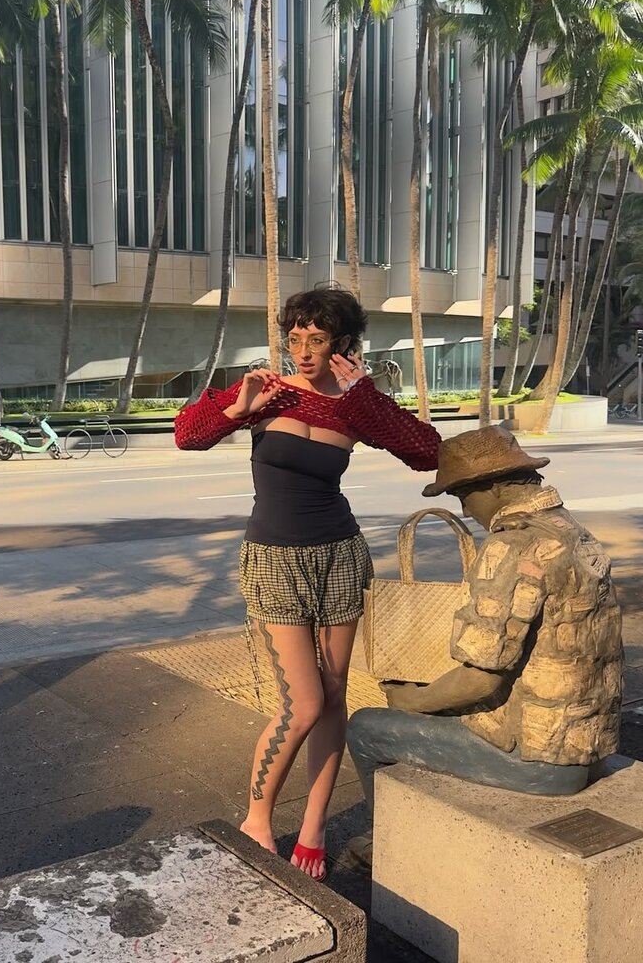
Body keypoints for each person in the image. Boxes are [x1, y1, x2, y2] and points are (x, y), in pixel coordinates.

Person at [175, 287, 441, 881]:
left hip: (339, 555)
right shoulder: (267, 392)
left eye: (316, 339)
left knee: (335, 695)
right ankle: (257, 818)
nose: (302, 351)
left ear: (342, 343)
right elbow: (187, 434)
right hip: (275, 559)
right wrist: (235, 409)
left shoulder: (355, 405)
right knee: (303, 703)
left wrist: (363, 395)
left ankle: (315, 825)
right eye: (294, 338)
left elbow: (427, 452)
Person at [343, 425, 622, 872]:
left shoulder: (512, 544)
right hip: (586, 743)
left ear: (492, 486)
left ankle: (390, 845)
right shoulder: (569, 529)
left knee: (365, 727)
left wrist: (412, 700)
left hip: (535, 758)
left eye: (463, 496)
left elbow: (481, 680)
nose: (465, 509)